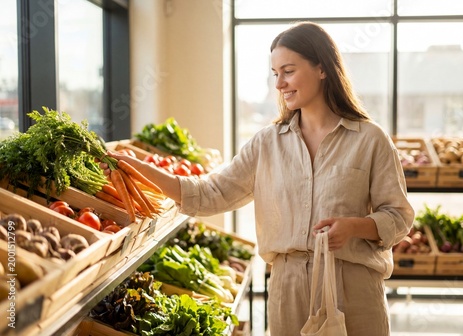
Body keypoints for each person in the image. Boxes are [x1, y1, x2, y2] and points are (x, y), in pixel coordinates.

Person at [101, 21, 415, 336]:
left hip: (355, 288)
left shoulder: (369, 138)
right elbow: (210, 192)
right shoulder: (267, 143)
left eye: (288, 71)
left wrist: (353, 227)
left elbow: (399, 216)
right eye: (275, 73)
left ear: (322, 68)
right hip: (287, 291)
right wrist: (138, 167)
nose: (279, 84)